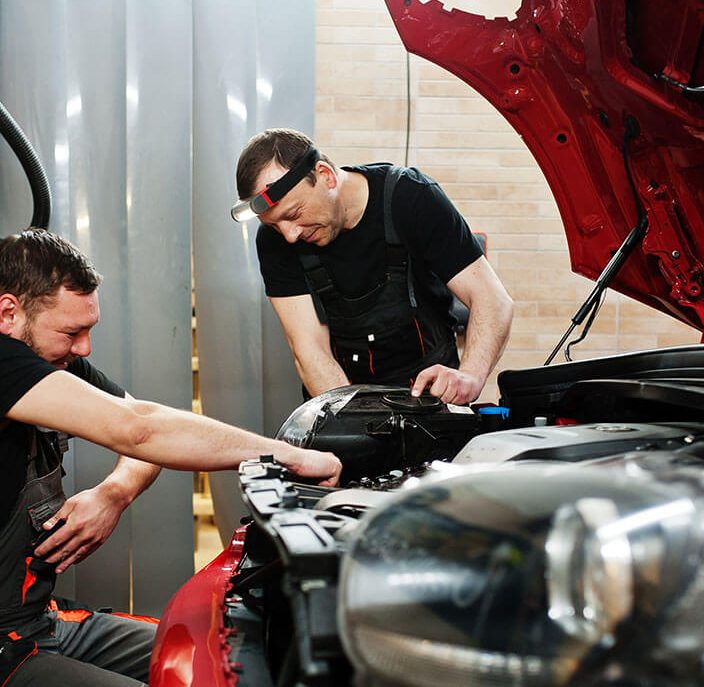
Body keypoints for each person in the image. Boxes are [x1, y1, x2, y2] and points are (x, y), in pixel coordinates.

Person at [0, 228, 341, 686]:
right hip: (4, 646)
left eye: (89, 330)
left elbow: (146, 439)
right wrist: (290, 456)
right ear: (9, 313)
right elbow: (139, 429)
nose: (85, 349)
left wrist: (113, 494)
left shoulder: (54, 362)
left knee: (217, 660)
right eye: (71, 332)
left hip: (41, 623)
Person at [232, 128, 513, 405]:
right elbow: (309, 350)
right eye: (274, 225)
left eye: (294, 214)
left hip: (430, 399)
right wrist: (352, 419)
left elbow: (492, 300)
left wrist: (470, 376)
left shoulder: (411, 198)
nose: (289, 235)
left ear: (326, 176)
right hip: (341, 395)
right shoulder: (275, 242)